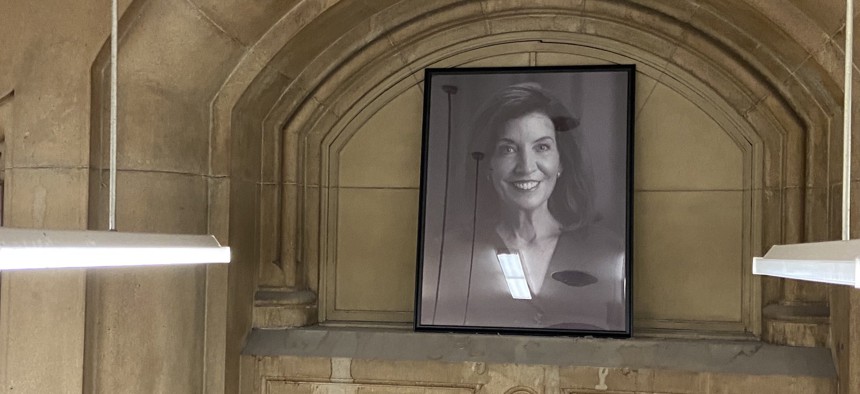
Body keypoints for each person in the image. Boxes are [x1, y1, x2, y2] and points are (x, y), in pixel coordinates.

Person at [461, 82, 625, 331]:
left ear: (561, 162)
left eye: (542, 147)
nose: (526, 166)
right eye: (507, 149)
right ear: (487, 165)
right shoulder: (446, 256)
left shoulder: (613, 255)